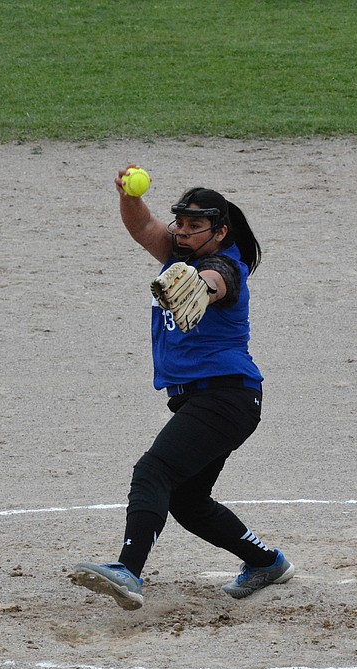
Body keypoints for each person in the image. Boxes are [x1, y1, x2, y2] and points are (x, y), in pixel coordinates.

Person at [69, 168, 295, 610]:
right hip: (207, 399)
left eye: (196, 226)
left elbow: (217, 282)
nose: (185, 233)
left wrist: (200, 289)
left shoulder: (225, 265)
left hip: (226, 396)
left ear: (220, 230)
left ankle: (128, 571)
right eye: (182, 224)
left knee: (153, 472)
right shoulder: (178, 253)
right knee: (188, 501)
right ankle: (266, 562)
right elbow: (142, 228)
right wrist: (128, 196)